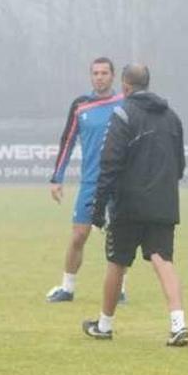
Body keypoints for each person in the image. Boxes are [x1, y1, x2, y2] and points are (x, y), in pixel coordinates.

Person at [82, 64, 188, 346]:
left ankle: (104, 325)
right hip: (164, 203)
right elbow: (180, 165)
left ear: (125, 86)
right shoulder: (172, 117)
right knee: (162, 258)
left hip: (128, 205)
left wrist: (97, 211)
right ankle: (178, 324)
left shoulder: (122, 114)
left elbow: (109, 165)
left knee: (117, 262)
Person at [46, 57, 126, 302]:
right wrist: (56, 178)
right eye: (95, 73)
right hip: (91, 183)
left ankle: (119, 290)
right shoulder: (81, 106)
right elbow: (67, 141)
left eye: (104, 73)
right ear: (91, 77)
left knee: (118, 236)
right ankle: (67, 287)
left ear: (113, 76)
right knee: (79, 235)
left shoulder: (125, 103)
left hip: (120, 181)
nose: (100, 77)